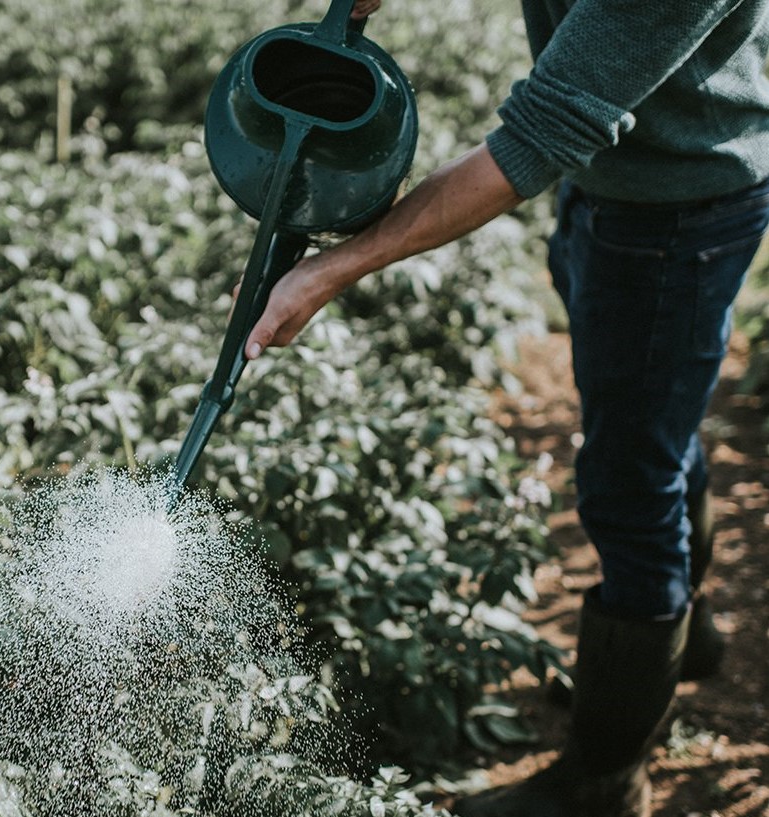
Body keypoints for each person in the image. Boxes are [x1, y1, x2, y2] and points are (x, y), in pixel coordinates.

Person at [243, 1, 769, 815]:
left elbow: (535, 138)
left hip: (676, 211)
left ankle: (604, 774)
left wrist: (334, 268)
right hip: (614, 177)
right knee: (648, 420)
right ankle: (677, 637)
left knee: (628, 483)